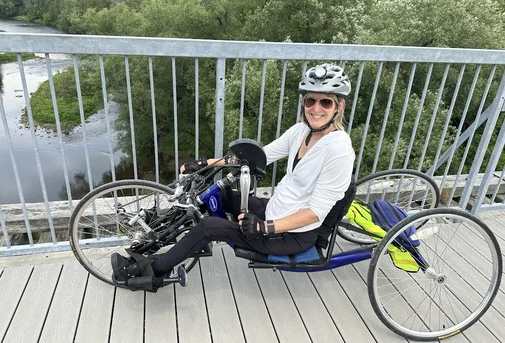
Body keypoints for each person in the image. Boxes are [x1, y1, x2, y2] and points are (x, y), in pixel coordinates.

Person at [111, 63, 355, 289]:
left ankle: (152, 272)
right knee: (213, 195)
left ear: (339, 106)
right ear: (304, 101)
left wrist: (264, 227)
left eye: (326, 103)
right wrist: (206, 163)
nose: (316, 108)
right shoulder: (303, 130)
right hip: (276, 209)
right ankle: (156, 239)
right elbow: (258, 156)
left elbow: (314, 213)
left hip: (289, 235)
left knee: (208, 227)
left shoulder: (338, 151)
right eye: (310, 100)